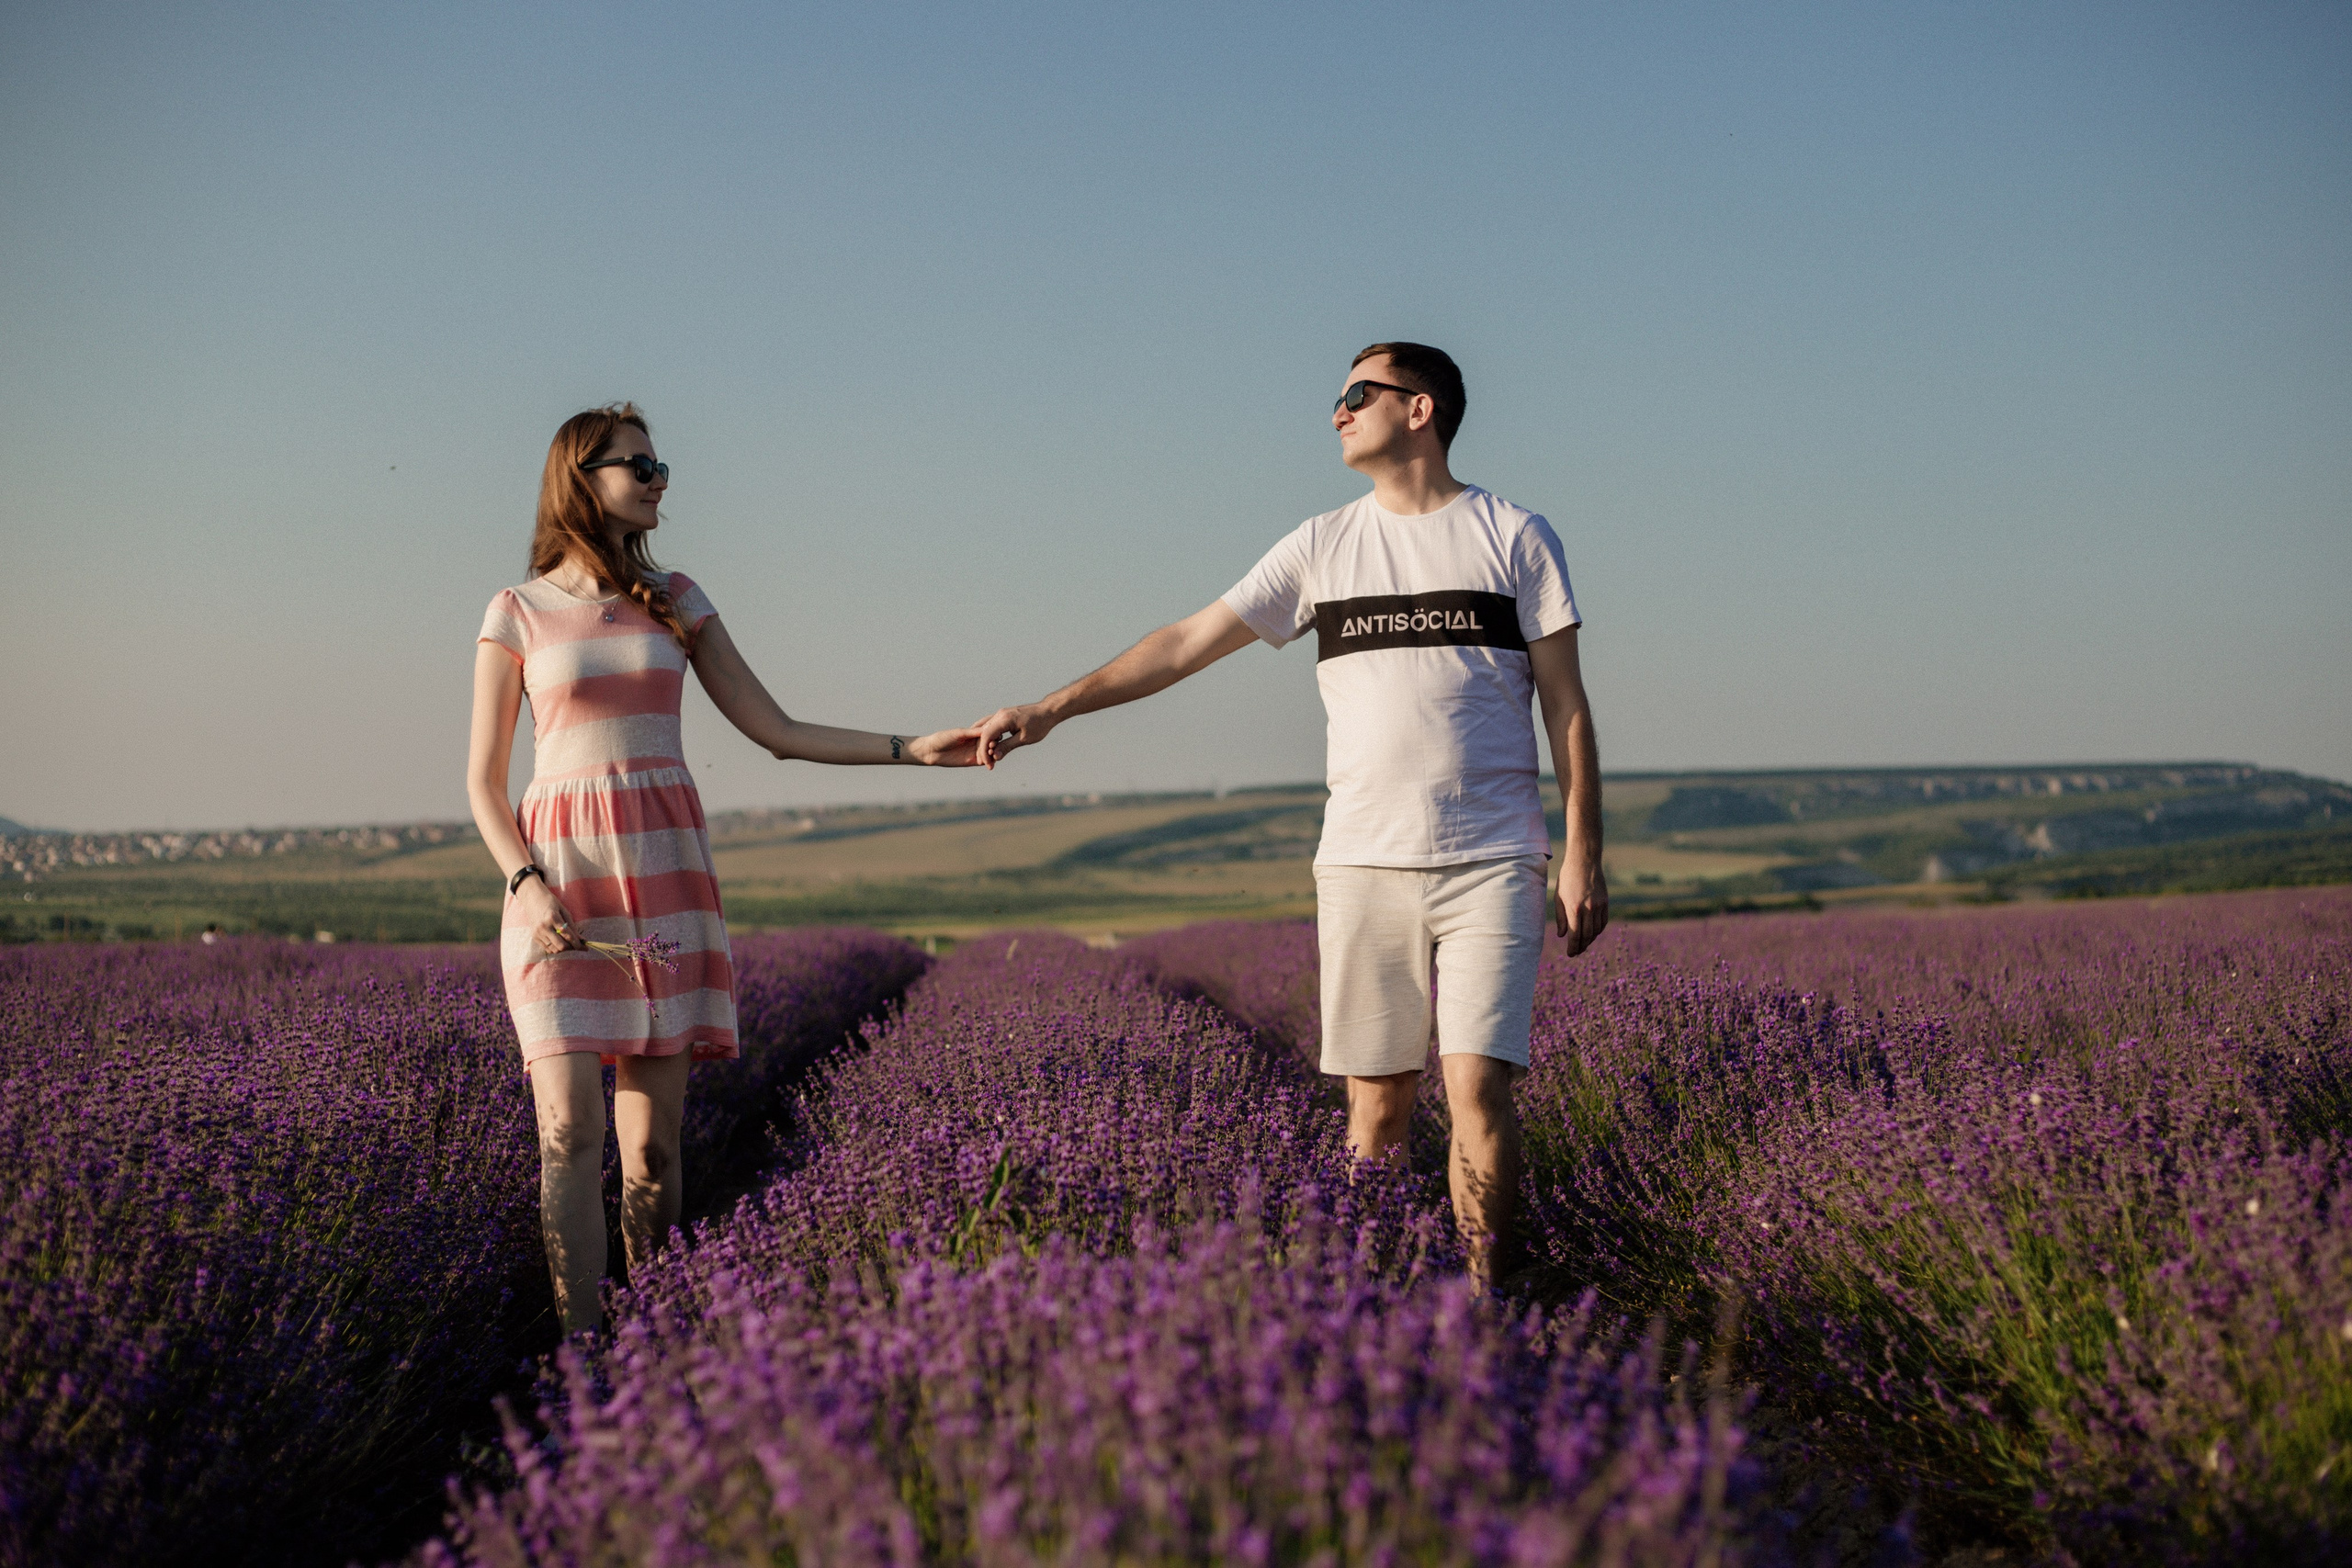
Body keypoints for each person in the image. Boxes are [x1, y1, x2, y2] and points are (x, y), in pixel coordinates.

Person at [973, 344, 1608, 1288]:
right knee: (1378, 1105)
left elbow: (1565, 702)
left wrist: (1582, 855)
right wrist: (1050, 708)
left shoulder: (1513, 535)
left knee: (1477, 1089)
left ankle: (1486, 1309)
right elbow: (1186, 642)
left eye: (1359, 393)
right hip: (1359, 863)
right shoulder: (1321, 544)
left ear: (1421, 410)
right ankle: (1371, 1300)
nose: (1338, 411)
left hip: (1493, 858)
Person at [467, 402, 984, 1335]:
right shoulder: (518, 611)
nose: (660, 479)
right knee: (567, 1137)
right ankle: (585, 1365)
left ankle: (649, 1341)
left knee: (652, 1156)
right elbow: (478, 781)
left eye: (661, 464)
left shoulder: (679, 599)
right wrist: (525, 880)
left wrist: (916, 749)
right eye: (639, 465)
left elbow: (777, 730)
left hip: (664, 875)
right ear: (582, 480)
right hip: (557, 886)